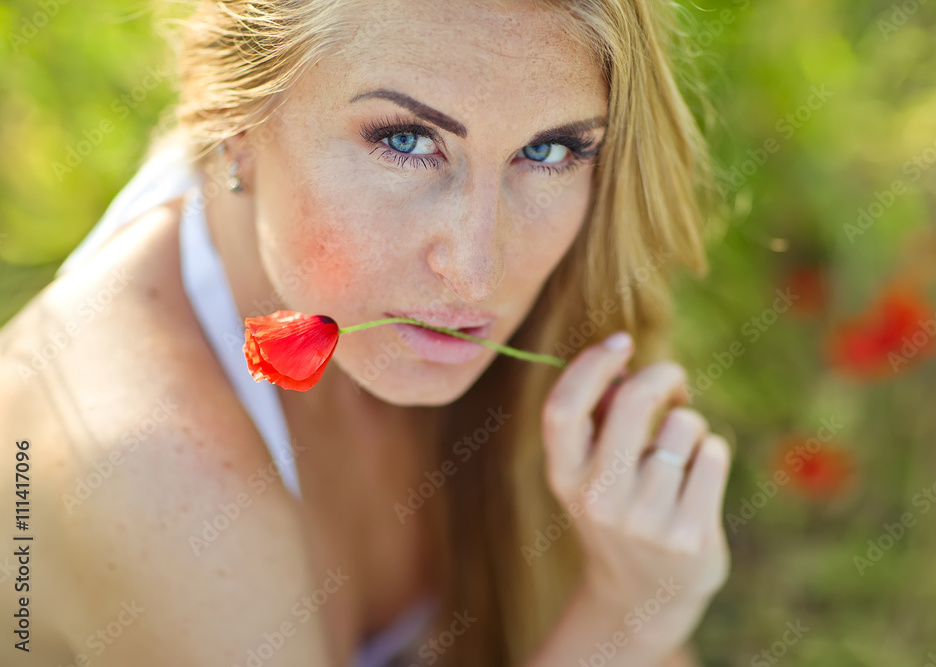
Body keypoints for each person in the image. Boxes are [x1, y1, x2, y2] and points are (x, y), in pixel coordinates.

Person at [0, 0, 731, 665]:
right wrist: (628, 616)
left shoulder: (549, 292)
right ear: (237, 118)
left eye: (546, 152)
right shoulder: (154, 473)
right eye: (408, 140)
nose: (477, 273)